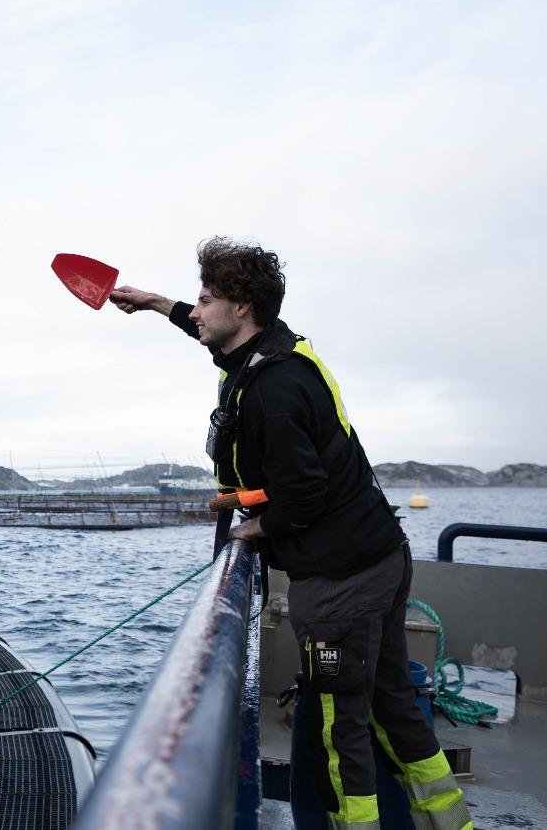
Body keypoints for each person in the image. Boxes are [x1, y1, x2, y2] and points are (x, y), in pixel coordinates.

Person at [108, 238, 471, 830]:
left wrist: (255, 528)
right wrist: (153, 303)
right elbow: (205, 331)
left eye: (204, 301)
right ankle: (456, 823)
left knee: (338, 729)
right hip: (379, 554)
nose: (195, 312)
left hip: (340, 579)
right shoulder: (275, 352)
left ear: (242, 305)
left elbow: (304, 496)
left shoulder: (274, 390)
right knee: (392, 704)